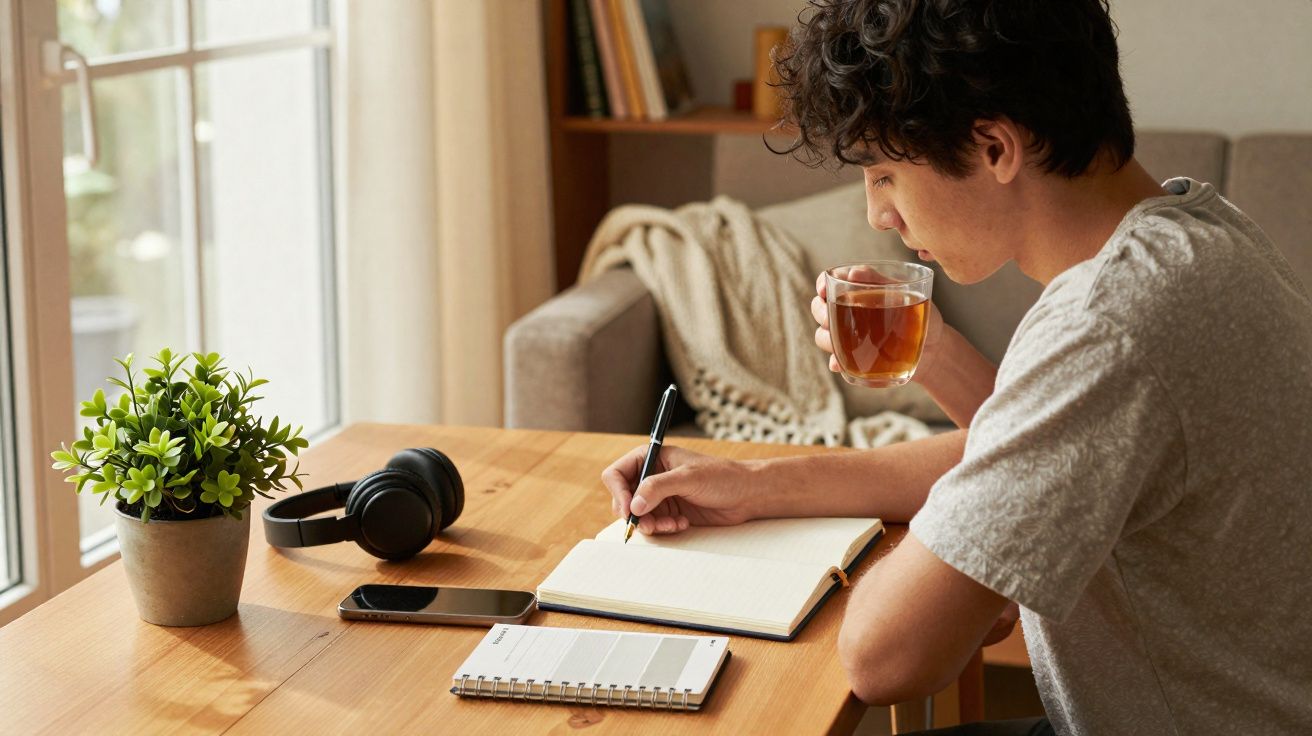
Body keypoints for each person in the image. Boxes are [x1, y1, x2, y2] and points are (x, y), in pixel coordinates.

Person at [601, 1, 1312, 734]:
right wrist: (756, 486)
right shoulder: (1194, 229)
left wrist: (964, 556)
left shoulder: (1111, 322)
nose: (878, 213)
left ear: (995, 148)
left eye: (883, 174)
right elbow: (1022, 449)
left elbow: (885, 660)